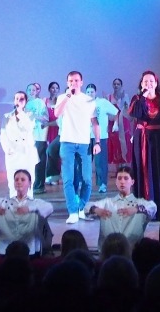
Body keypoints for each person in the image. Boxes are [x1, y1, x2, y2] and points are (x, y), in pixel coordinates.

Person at [128, 69, 160, 213]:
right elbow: (134, 114)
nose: (149, 84)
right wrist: (143, 97)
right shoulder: (137, 99)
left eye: (151, 81)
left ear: (156, 83)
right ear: (141, 84)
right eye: (145, 81)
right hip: (141, 139)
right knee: (142, 170)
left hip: (159, 140)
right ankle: (142, 205)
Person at [55, 70, 102, 224]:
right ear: (67, 83)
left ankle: (80, 207)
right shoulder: (62, 97)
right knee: (68, 179)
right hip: (67, 142)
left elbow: (95, 123)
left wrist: (97, 142)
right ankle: (73, 212)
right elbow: (57, 113)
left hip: (84, 143)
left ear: (81, 82)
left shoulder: (89, 101)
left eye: (76, 80)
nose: (73, 83)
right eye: (70, 81)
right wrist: (68, 96)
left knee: (87, 179)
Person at [0, 169, 54, 255]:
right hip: (4, 250)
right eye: (16, 180)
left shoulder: (35, 203)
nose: (19, 182)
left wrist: (29, 208)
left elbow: (49, 208)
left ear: (29, 183)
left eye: (23, 179)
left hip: (29, 250)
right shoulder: (4, 202)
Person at [87, 166, 157, 245]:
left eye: (126, 178)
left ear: (132, 182)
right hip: (109, 250)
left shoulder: (139, 203)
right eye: (119, 178)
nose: (122, 182)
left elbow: (153, 207)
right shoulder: (107, 202)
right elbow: (87, 206)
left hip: (133, 250)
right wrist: (96, 209)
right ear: (116, 182)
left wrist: (136, 209)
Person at [2, 90, 41, 198]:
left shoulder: (30, 115)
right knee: (12, 180)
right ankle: (14, 202)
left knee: (29, 178)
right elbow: (3, 134)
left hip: (27, 151)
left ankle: (28, 202)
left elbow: (28, 128)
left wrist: (20, 113)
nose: (19, 101)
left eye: (22, 99)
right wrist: (7, 148)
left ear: (26, 101)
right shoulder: (6, 116)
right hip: (12, 151)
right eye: (17, 99)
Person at [86, 82, 122, 193]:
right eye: (88, 92)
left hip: (100, 136)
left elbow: (116, 112)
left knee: (100, 162)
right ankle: (84, 183)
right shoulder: (83, 103)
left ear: (95, 92)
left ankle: (102, 184)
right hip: (86, 136)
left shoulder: (102, 102)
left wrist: (116, 123)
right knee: (85, 161)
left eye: (92, 92)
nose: (90, 94)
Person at [26, 82, 50, 194]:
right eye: (29, 90)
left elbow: (46, 118)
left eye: (33, 90)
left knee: (39, 161)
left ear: (36, 92)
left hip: (39, 136)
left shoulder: (40, 102)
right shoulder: (24, 103)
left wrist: (34, 115)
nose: (31, 92)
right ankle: (29, 185)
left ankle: (39, 185)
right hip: (27, 137)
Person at [107, 77, 133, 166]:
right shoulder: (109, 97)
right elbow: (108, 110)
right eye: (114, 84)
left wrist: (122, 101)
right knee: (115, 145)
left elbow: (127, 110)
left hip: (123, 123)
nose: (116, 85)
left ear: (121, 85)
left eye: (118, 84)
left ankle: (124, 168)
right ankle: (117, 169)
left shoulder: (125, 96)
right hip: (113, 122)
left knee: (124, 144)